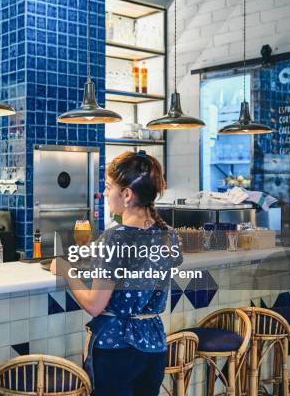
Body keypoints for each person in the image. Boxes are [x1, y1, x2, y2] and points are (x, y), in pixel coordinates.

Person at [52, 150, 182, 396]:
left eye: (109, 186)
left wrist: (66, 271)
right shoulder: (168, 235)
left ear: (127, 194)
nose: (104, 193)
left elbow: (95, 305)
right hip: (153, 346)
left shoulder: (115, 238)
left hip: (116, 348)